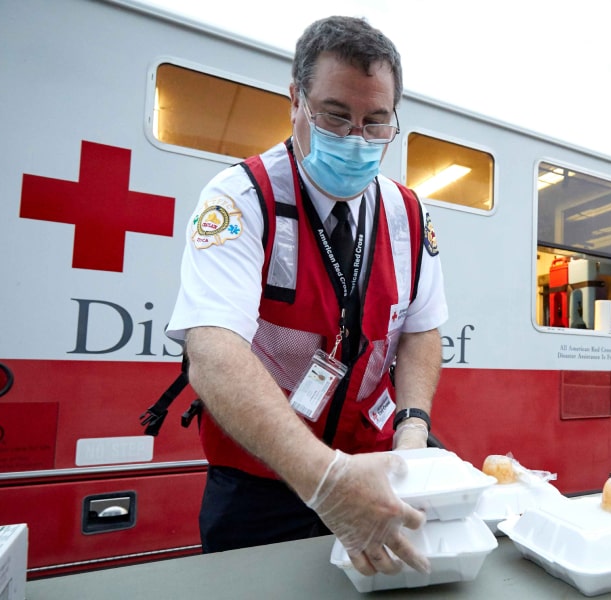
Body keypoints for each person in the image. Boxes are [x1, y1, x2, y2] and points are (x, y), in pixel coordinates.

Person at [166, 15, 447, 577]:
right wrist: (323, 480)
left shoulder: (408, 214)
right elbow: (214, 352)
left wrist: (412, 427)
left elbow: (421, 329)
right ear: (295, 98)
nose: (356, 140)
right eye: (336, 116)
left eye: (376, 123)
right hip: (260, 480)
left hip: (374, 468)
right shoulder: (241, 198)